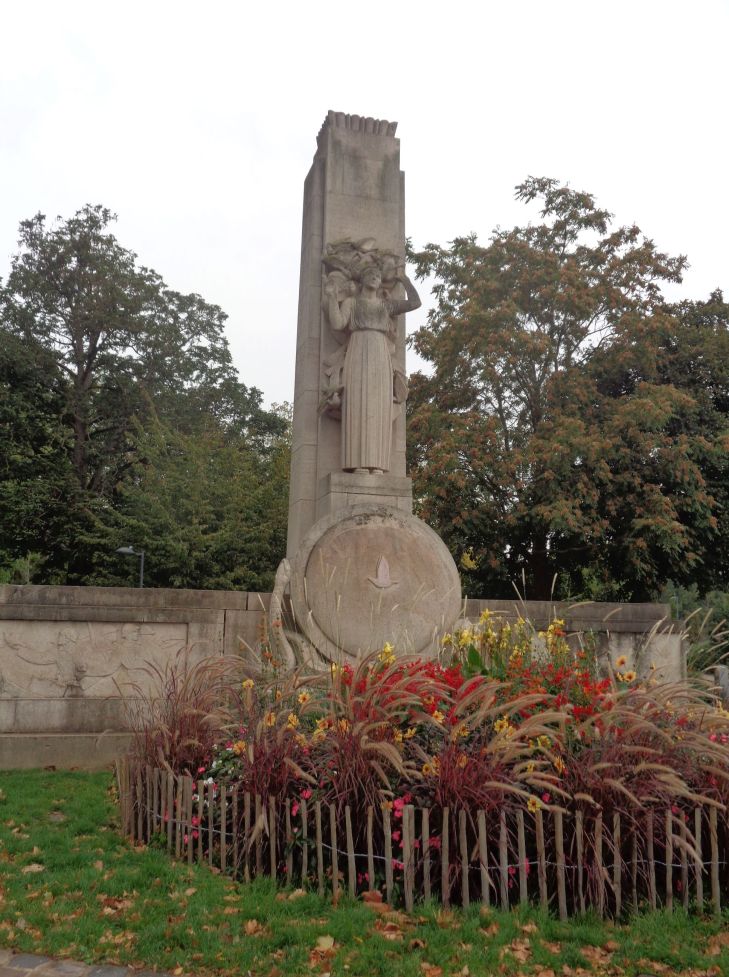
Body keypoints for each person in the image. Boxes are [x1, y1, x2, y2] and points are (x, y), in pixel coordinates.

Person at [324, 264, 421, 473]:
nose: (375, 277)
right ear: (363, 279)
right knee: (357, 405)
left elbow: (415, 303)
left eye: (378, 275)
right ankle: (356, 463)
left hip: (380, 353)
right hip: (358, 351)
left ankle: (377, 465)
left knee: (378, 408)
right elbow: (338, 323)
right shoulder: (351, 302)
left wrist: (404, 279)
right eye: (371, 274)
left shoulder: (386, 305)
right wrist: (332, 297)